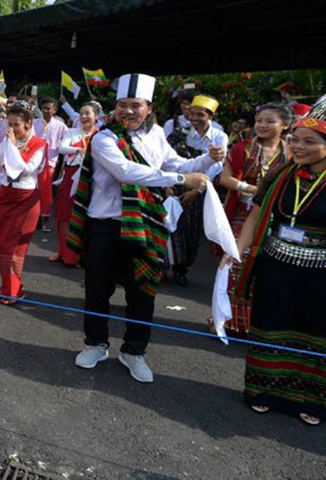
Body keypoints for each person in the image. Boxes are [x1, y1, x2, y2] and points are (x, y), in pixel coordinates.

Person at [67, 74, 224, 383]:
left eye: (135, 105)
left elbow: (177, 163)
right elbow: (128, 172)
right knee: (98, 289)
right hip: (105, 226)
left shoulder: (155, 137)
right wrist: (180, 181)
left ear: (149, 107)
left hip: (144, 223)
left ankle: (134, 352)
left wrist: (207, 159)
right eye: (122, 105)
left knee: (143, 291)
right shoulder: (104, 138)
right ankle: (96, 344)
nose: (128, 111)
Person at [227, 98, 326, 426]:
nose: (299, 147)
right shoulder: (282, 173)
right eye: (295, 139)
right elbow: (255, 215)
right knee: (270, 327)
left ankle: (310, 399)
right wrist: (236, 250)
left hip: (320, 274)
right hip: (276, 266)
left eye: (310, 142)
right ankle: (263, 391)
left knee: (313, 333)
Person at [217, 103, 291, 335]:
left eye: (269, 121)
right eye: (259, 120)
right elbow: (225, 179)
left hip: (276, 217)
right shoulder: (243, 148)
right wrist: (252, 189)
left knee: (266, 269)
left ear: (285, 125)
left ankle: (256, 324)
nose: (262, 125)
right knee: (235, 263)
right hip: (242, 213)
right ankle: (230, 321)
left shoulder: (291, 152)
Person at [0, 104, 47, 304]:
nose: (12, 129)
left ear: (28, 124)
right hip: (5, 196)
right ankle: (9, 286)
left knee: (17, 248)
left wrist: (11, 148)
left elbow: (25, 170)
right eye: (9, 125)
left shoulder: (39, 144)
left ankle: (13, 290)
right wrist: (8, 147)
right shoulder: (8, 141)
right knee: (3, 244)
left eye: (16, 125)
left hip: (26, 199)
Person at [166, 95, 228, 286]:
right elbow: (166, 159)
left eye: (199, 114)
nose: (194, 118)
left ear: (210, 115)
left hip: (200, 187)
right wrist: (165, 184)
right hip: (175, 182)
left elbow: (217, 165)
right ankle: (162, 265)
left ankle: (181, 269)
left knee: (190, 230)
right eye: (191, 113)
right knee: (168, 226)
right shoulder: (179, 132)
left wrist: (197, 190)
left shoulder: (219, 136)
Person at [50, 101, 100, 266]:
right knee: (65, 215)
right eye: (82, 113)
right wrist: (78, 150)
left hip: (90, 178)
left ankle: (82, 254)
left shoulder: (100, 135)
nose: (84, 116)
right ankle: (65, 253)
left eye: (88, 113)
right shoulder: (72, 133)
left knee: (84, 216)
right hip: (70, 176)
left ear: (96, 117)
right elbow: (62, 148)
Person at [32, 96, 67, 232]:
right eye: (44, 108)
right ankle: (33, 218)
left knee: (45, 191)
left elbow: (66, 143)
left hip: (49, 163)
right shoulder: (34, 123)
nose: (46, 111)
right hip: (32, 161)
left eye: (49, 109)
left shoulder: (61, 126)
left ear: (55, 110)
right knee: (32, 190)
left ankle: (45, 219)